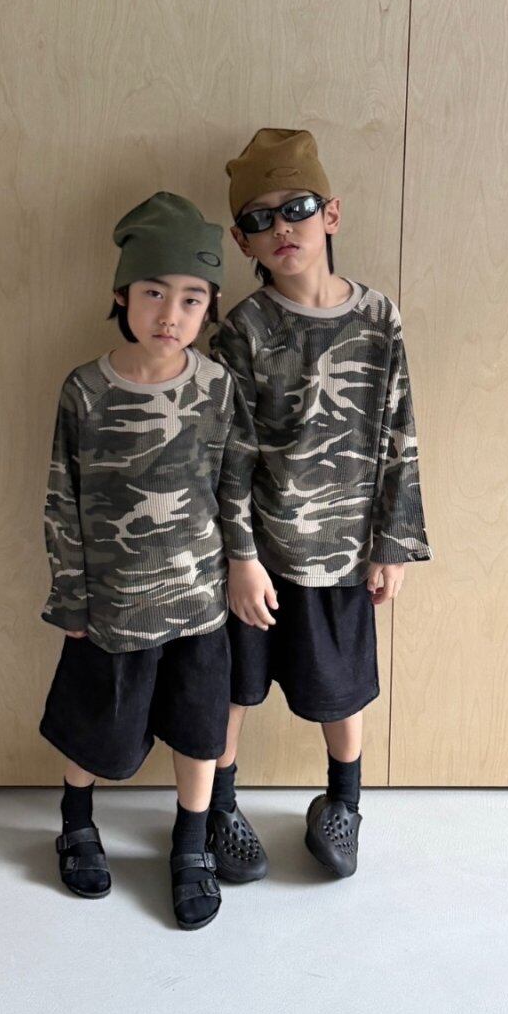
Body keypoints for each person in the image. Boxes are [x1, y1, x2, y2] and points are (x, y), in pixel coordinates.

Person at [206, 128, 430, 879]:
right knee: (234, 687)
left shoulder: (379, 318)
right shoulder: (244, 331)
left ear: (330, 213)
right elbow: (229, 456)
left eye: (296, 207)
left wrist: (393, 542)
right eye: (259, 218)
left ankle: (343, 802)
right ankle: (219, 807)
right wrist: (240, 558)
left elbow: (399, 431)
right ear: (242, 240)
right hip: (260, 557)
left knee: (341, 690)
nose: (281, 227)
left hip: (341, 554)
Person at [37, 191, 258, 929]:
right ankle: (76, 823)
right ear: (121, 296)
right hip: (113, 606)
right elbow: (62, 498)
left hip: (199, 606)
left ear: (209, 306)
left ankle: (190, 844)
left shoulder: (217, 388)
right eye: (154, 293)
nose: (171, 313)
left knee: (200, 729)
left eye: (193, 298)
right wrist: (71, 597)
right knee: (94, 726)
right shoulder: (86, 389)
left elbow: (233, 487)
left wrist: (242, 565)